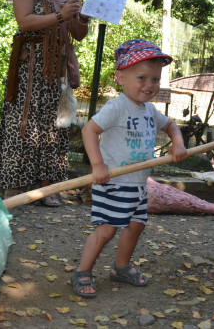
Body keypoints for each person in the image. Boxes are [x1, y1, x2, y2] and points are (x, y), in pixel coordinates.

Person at [71, 39, 188, 298]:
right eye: (142, 78)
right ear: (120, 77)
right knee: (107, 230)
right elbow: (89, 129)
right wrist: (98, 164)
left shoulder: (150, 111)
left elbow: (171, 126)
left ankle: (120, 268)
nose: (149, 85)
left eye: (155, 79)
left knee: (136, 226)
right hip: (112, 182)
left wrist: (177, 144)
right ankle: (82, 271)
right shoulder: (117, 106)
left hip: (137, 185)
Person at [0, 0, 90, 206]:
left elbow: (78, 35)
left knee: (54, 127)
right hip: (30, 66)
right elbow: (24, 21)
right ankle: (14, 188)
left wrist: (82, 17)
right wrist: (61, 15)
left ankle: (47, 189)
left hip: (58, 69)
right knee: (24, 123)